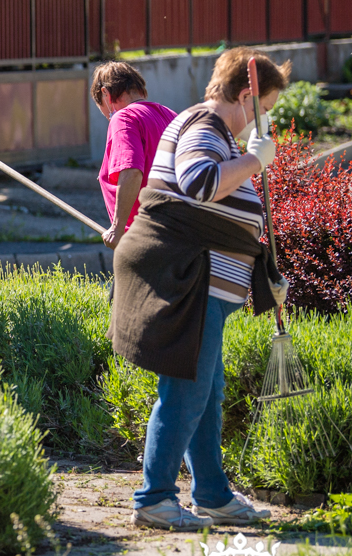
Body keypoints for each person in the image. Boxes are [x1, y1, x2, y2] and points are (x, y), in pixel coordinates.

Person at [110, 49, 290, 531]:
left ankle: (213, 495)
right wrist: (255, 159)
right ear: (246, 95)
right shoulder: (206, 126)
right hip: (189, 276)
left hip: (203, 277)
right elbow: (199, 183)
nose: (264, 119)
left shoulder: (214, 130)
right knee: (187, 391)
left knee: (206, 391)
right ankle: (154, 500)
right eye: (265, 107)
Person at [91, 62, 177, 248]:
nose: (107, 117)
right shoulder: (170, 115)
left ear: (106, 94)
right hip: (179, 232)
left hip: (147, 237)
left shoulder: (124, 118)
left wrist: (117, 228)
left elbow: (131, 171)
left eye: (102, 109)